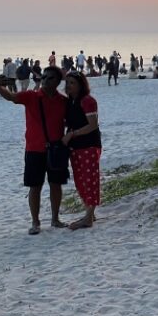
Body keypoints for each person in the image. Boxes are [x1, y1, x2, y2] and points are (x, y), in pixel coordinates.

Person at [0, 66, 68, 235]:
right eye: (44, 77)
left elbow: (70, 121)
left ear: (57, 81)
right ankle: (36, 222)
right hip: (34, 149)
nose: (45, 81)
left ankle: (55, 219)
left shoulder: (63, 101)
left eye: (50, 78)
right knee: (35, 186)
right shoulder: (31, 96)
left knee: (56, 185)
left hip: (56, 149)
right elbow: (11, 97)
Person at [62, 71, 102, 230]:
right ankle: (89, 212)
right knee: (80, 180)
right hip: (75, 146)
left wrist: (72, 133)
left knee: (90, 178)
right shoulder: (71, 101)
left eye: (72, 83)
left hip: (89, 145)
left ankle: (88, 217)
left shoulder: (87, 101)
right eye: (67, 83)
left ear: (81, 84)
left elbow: (92, 125)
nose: (69, 86)